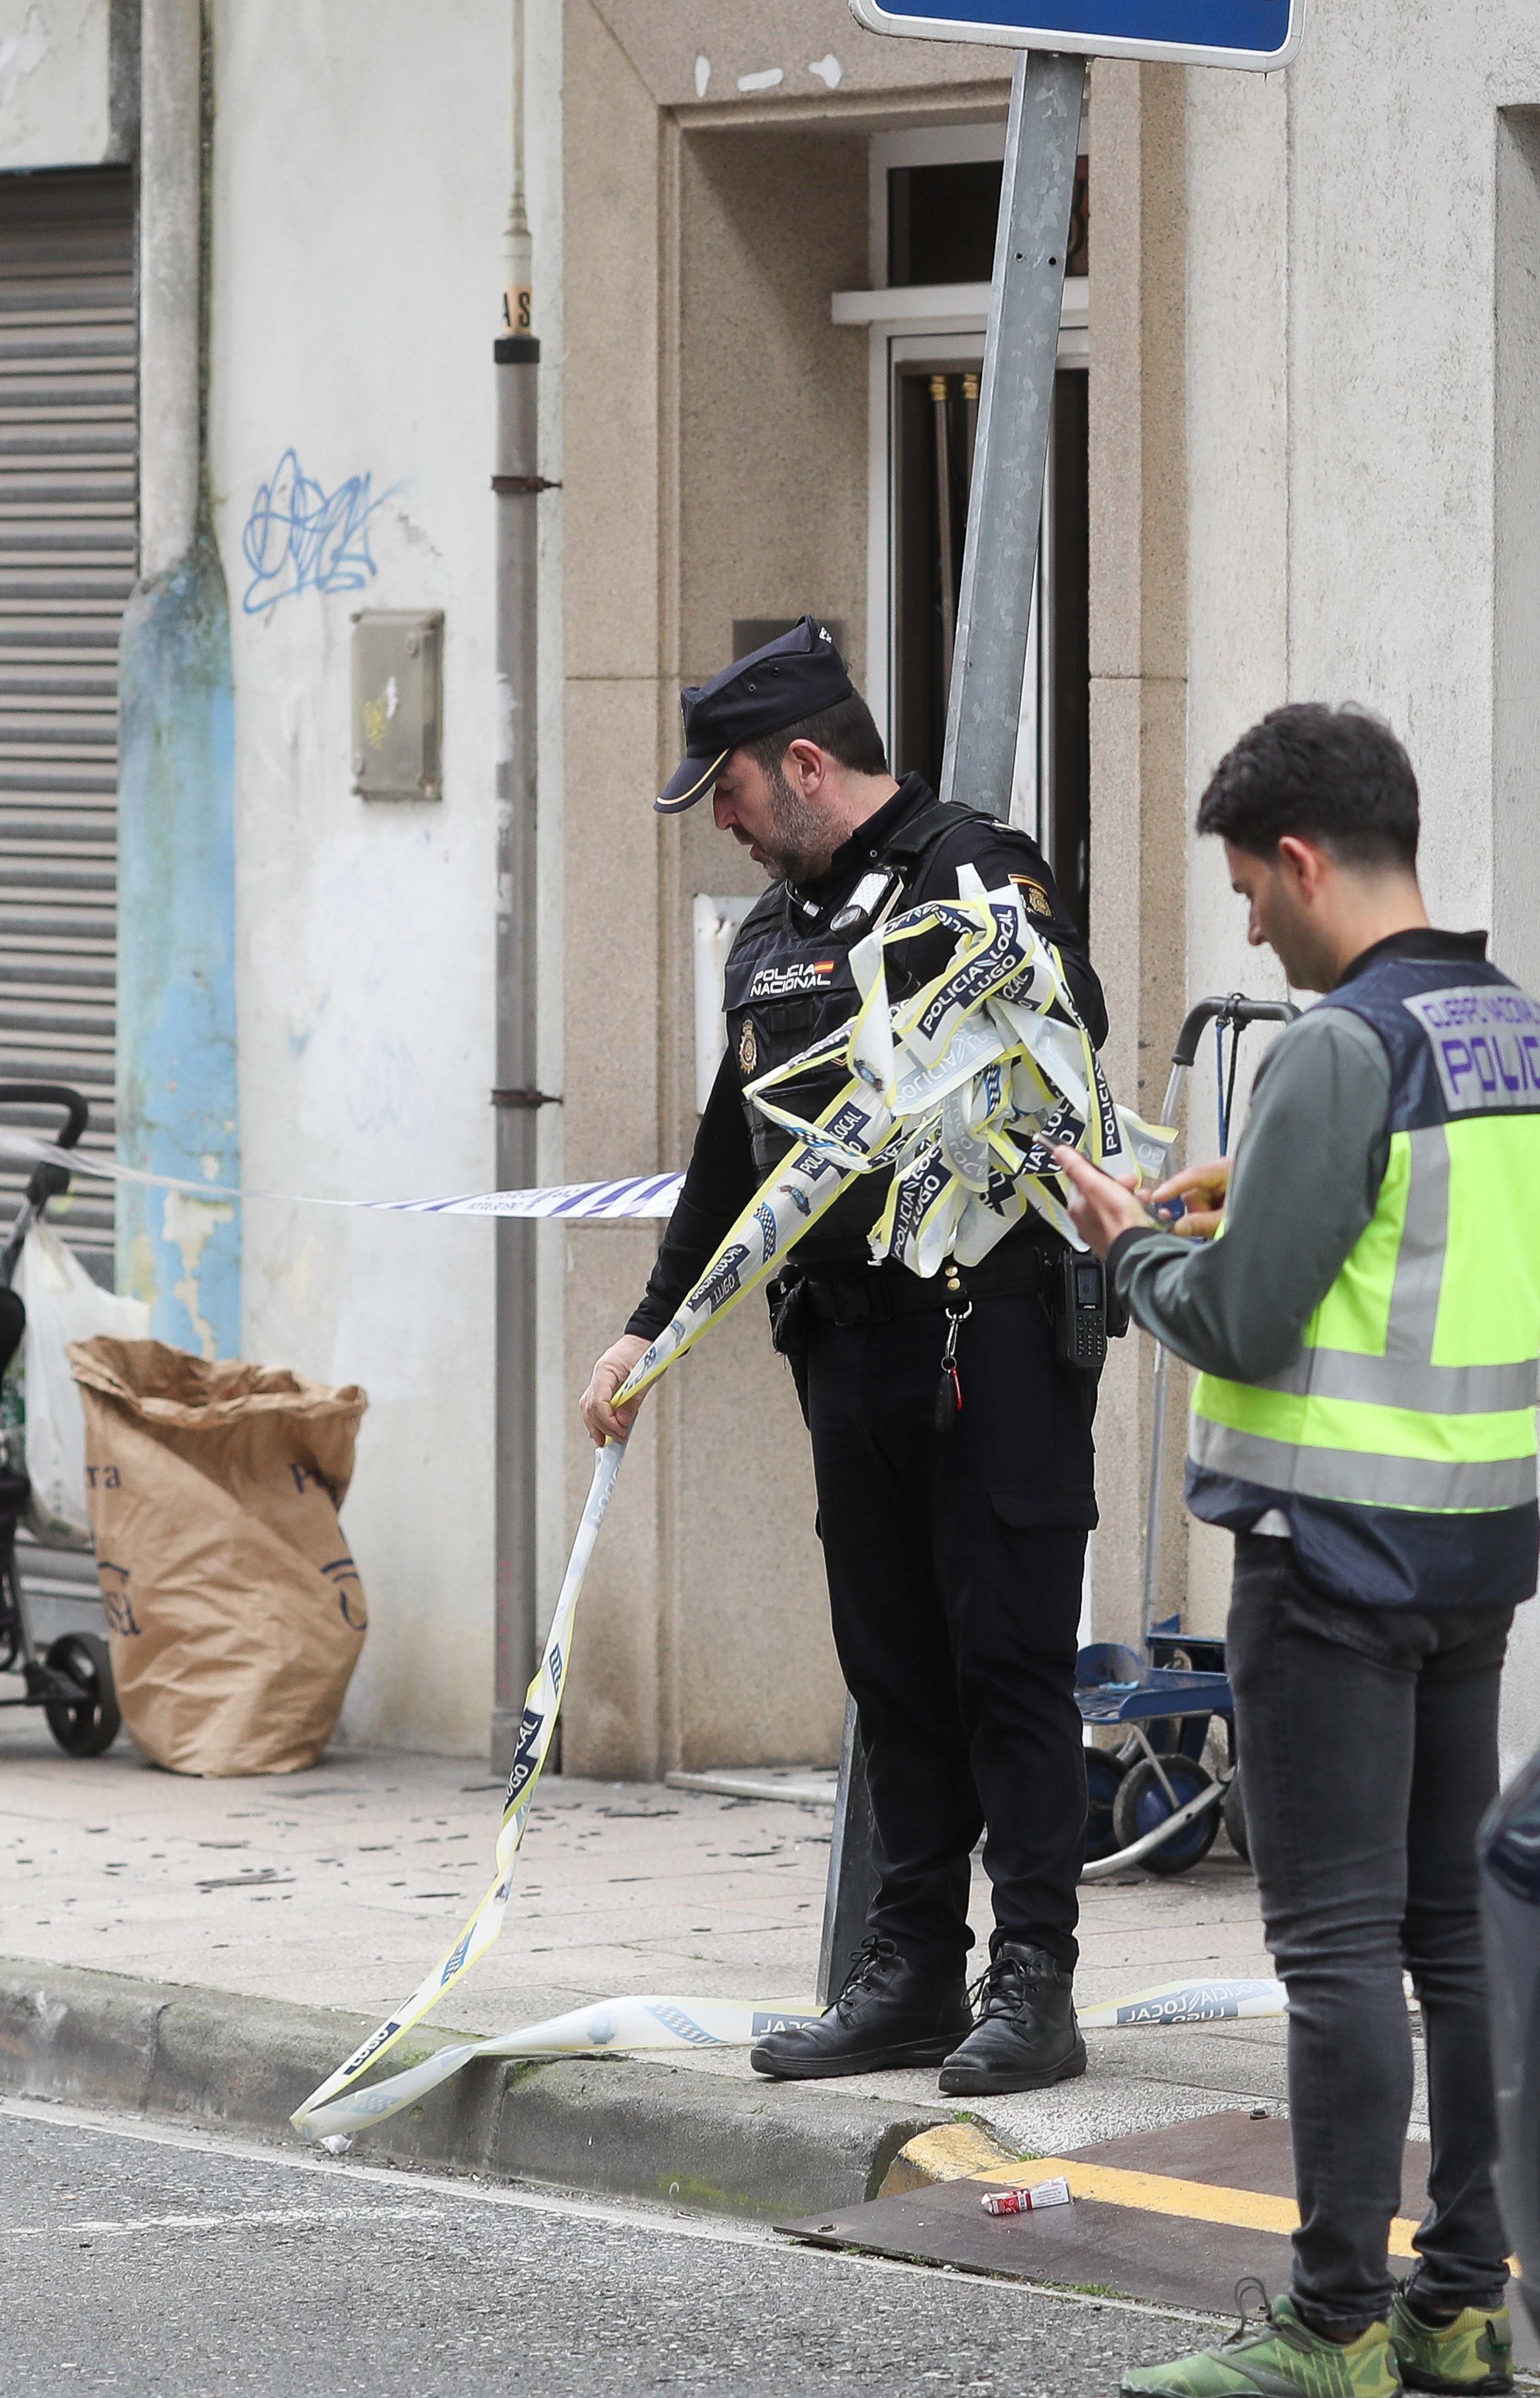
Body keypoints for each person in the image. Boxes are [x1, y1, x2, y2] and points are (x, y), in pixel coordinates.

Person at [1056, 705, 1540, 2398]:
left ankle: (1331, 2328)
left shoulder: (1337, 1050)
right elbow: (1418, 1261)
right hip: (1473, 1552)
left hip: (1330, 1566)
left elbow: (1249, 1321)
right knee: (1449, 1937)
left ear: (1301, 859)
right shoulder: (1513, 1032)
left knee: (1337, 1949)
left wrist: (1132, 1246)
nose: (1249, 929)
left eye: (1248, 893)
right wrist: (1255, 1183)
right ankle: (1466, 2303)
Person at [578, 619, 1109, 2097]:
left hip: (987, 1340)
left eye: (733, 792)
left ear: (806, 762)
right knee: (894, 1674)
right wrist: (649, 1327)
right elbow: (720, 1158)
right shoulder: (768, 935)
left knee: (1006, 1662)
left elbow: (1077, 1037)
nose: (725, 823)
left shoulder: (976, 870)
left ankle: (1037, 1983)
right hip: (847, 1351)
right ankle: (910, 1976)